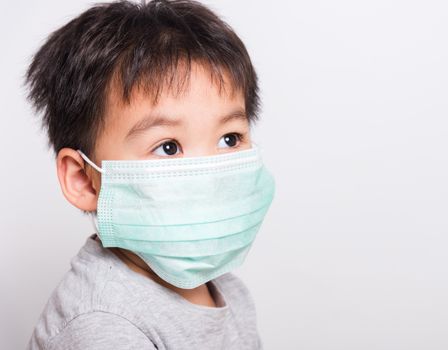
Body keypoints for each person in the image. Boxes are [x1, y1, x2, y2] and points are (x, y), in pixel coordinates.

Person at [23, 0, 276, 348]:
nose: (210, 177)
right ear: (83, 179)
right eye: (168, 146)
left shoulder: (227, 288)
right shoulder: (103, 326)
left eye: (229, 139)